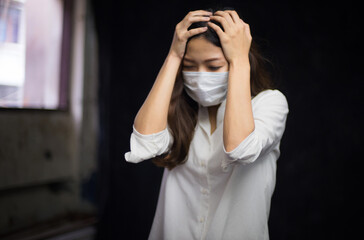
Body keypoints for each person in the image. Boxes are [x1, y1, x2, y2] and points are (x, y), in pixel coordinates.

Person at [124, 6, 289, 240]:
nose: (200, 75)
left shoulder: (270, 104)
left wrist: (240, 58)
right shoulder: (179, 112)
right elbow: (144, 142)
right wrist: (174, 55)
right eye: (189, 66)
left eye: (213, 67)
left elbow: (240, 149)